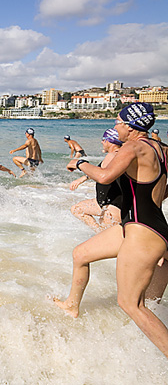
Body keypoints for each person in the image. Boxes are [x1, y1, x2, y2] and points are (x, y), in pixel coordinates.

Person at [56, 102, 168, 359]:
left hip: (143, 232)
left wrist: (81, 163)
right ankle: (72, 306)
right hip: (143, 227)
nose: (115, 126)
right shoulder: (160, 149)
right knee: (81, 254)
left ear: (129, 126)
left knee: (132, 304)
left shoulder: (134, 146)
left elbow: (104, 176)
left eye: (118, 122)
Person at [69, 129, 122, 233]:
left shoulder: (113, 155)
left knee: (107, 244)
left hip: (112, 207)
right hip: (103, 202)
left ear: (109, 141)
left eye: (103, 139)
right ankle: (98, 233)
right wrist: (83, 178)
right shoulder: (119, 155)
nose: (102, 142)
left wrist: (78, 163)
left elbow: (102, 175)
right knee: (77, 209)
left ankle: (99, 235)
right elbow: (102, 171)